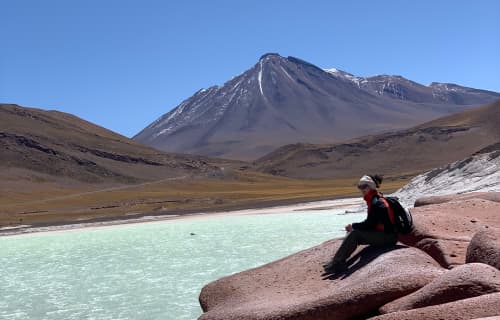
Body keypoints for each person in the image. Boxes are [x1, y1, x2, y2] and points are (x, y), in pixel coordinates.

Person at [323, 174, 398, 275]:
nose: (362, 189)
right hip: (387, 235)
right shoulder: (374, 199)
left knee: (355, 234)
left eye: (364, 186)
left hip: (388, 237)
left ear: (371, 187)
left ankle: (338, 264)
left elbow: (370, 224)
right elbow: (371, 223)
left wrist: (353, 226)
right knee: (354, 232)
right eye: (360, 187)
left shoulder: (376, 202)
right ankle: (336, 261)